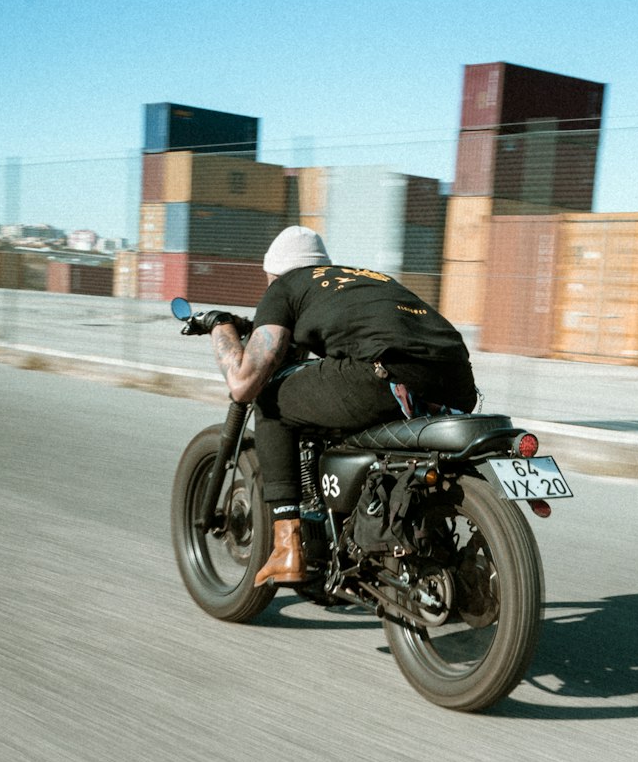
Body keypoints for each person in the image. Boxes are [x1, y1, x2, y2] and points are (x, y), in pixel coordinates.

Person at [202, 225, 478, 586]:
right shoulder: (366, 279)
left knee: (269, 398)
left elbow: (243, 384)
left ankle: (287, 547)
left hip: (388, 375)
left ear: (273, 272)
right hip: (457, 380)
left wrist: (220, 327)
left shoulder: (285, 287)